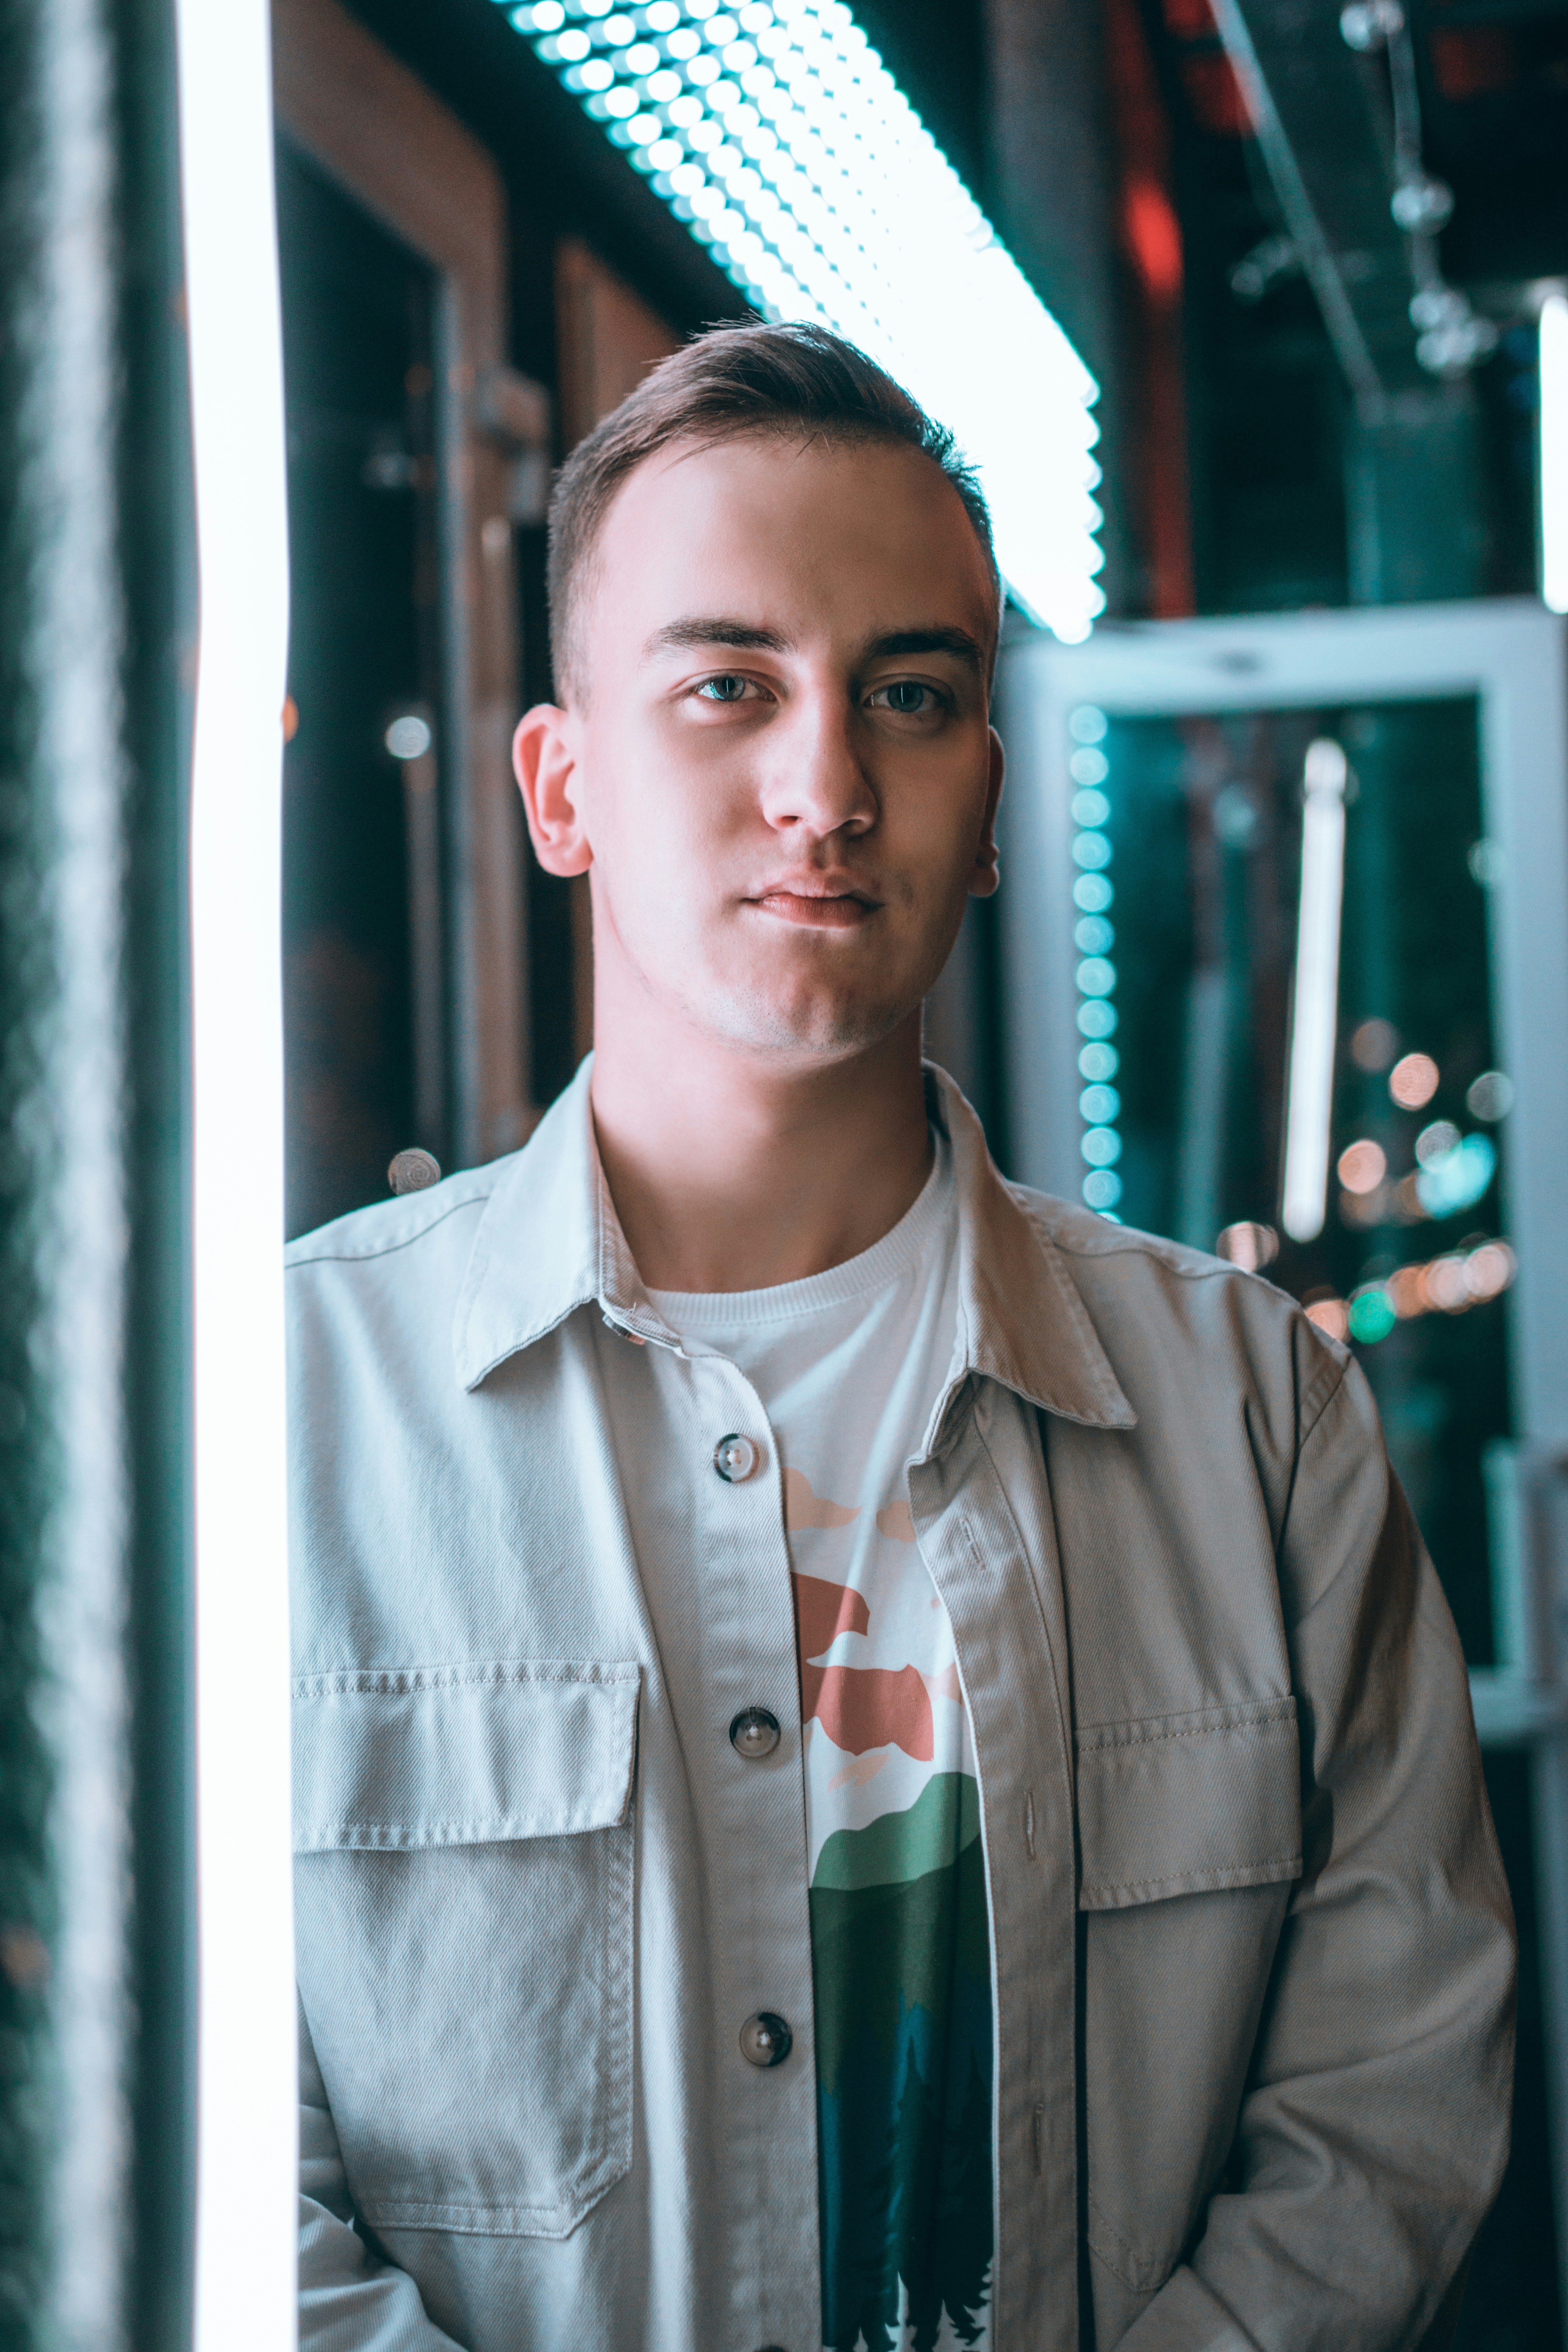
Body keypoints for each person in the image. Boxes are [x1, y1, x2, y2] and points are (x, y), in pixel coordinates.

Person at [289, 322, 1515, 2352]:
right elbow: (201, 2165)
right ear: (563, 787)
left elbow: (1388, 2112)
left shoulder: (1254, 1417)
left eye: (909, 696)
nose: (827, 786)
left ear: (994, 788)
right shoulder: (286, 1421)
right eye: (727, 687)